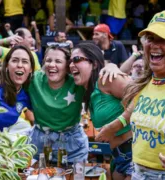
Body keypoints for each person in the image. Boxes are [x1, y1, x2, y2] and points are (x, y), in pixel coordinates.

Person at [95, 10, 165, 179]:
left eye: (164, 39)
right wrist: (115, 126)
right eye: (150, 38)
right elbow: (135, 113)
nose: (154, 44)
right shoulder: (147, 82)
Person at [69, 42, 133, 179]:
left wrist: (118, 125)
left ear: (95, 64)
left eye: (76, 59)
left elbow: (144, 100)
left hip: (135, 154)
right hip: (118, 158)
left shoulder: (107, 79)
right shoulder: (89, 90)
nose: (71, 65)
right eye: (70, 61)